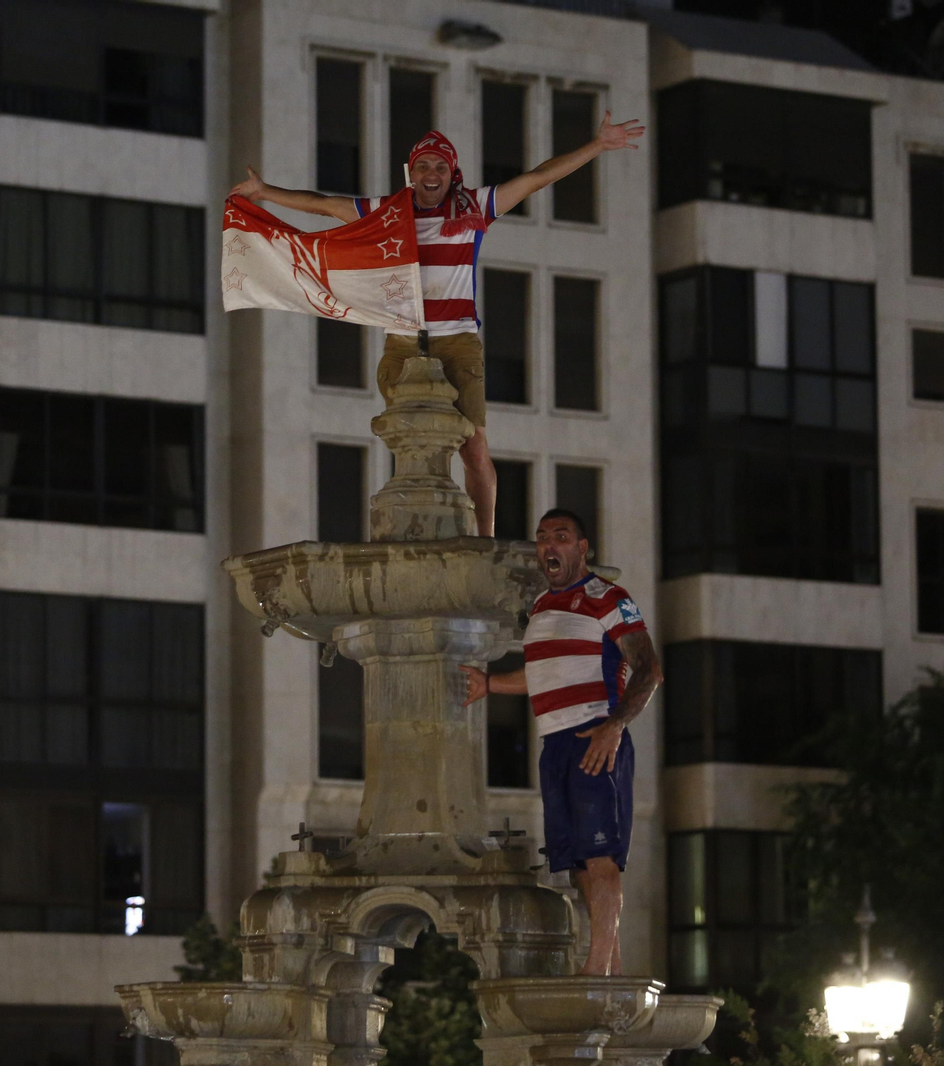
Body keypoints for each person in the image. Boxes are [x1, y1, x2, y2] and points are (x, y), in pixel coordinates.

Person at [227, 116, 645, 536]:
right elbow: (323, 204)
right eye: (424, 166)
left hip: (458, 342)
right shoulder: (387, 213)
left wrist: (597, 145)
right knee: (413, 440)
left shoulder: (474, 208)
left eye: (440, 167)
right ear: (412, 174)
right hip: (404, 343)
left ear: (452, 174)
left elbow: (536, 179)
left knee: (474, 448)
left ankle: (484, 539)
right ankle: (411, 528)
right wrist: (265, 194)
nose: (432, 174)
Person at [459, 509, 662, 975]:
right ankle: (607, 965)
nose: (550, 545)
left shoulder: (607, 598)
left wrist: (614, 728)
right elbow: (541, 676)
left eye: (561, 536)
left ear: (582, 547)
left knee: (600, 854)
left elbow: (650, 670)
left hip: (594, 734)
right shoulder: (543, 607)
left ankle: (595, 970)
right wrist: (489, 685)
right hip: (554, 744)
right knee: (575, 863)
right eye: (543, 537)